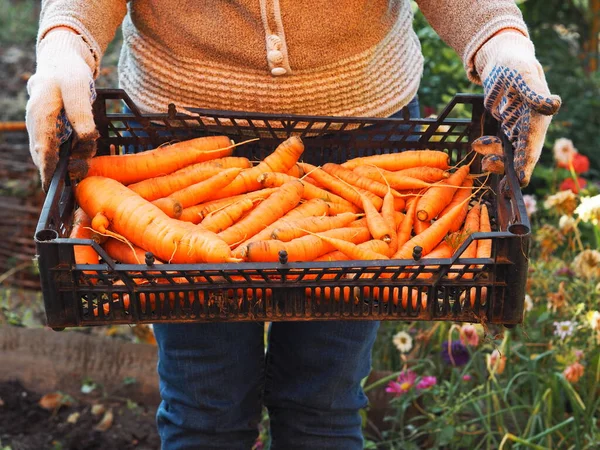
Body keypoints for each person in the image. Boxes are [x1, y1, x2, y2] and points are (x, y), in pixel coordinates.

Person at [25, 1, 560, 449]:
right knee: (204, 409)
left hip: (366, 150)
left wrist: (498, 37)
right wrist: (66, 42)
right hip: (180, 154)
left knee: (323, 404)